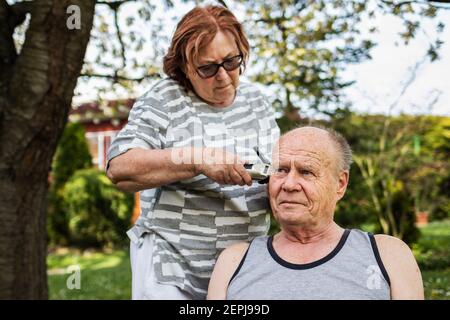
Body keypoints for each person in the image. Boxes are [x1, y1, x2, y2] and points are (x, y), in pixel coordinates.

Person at [106, 5, 280, 300]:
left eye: (231, 61)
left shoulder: (257, 103)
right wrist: (197, 160)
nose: (223, 76)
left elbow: (277, 171)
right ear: (185, 67)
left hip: (241, 267)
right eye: (208, 68)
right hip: (170, 267)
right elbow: (120, 168)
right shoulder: (165, 99)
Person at [207, 126, 424, 300]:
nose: (289, 184)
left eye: (306, 172)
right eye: (281, 170)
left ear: (340, 184)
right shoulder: (235, 260)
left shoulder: (388, 254)